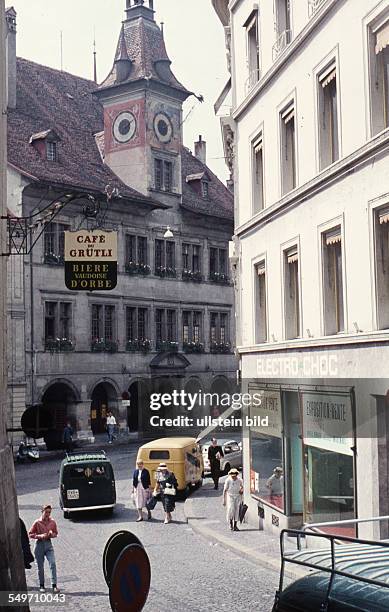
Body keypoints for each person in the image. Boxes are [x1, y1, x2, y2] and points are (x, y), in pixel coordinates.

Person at [29, 504, 59, 593]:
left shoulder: (52, 522)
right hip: (39, 546)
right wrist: (40, 536)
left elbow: (56, 533)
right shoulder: (37, 522)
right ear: (42, 512)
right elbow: (30, 534)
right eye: (46, 512)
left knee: (52, 563)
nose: (48, 514)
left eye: (49, 512)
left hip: (48, 545)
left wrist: (51, 534)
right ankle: (41, 585)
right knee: (40, 567)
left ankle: (54, 585)